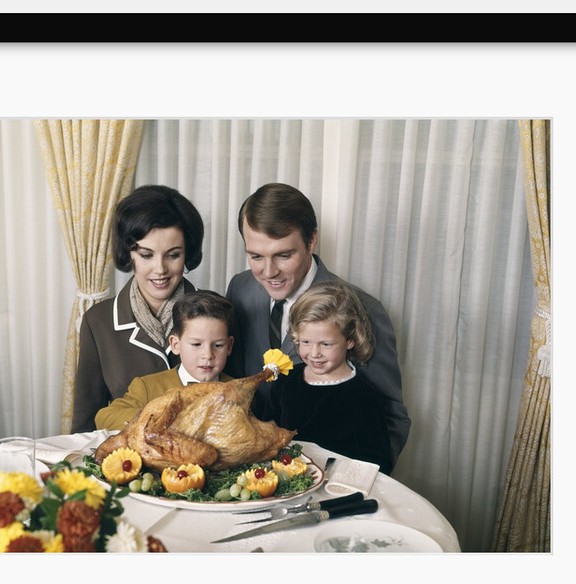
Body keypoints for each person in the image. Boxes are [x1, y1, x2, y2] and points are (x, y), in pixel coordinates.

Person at [224, 182, 411, 462]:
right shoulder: (240, 288)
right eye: (255, 256)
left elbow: (391, 421)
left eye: (284, 255)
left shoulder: (365, 310)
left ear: (312, 240)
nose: (268, 271)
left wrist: (344, 487)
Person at [72, 184, 204, 433]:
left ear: (187, 254)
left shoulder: (218, 314)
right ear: (129, 254)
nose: (160, 269)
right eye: (146, 255)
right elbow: (85, 423)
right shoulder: (98, 322)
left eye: (172, 255)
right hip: (126, 464)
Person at [264, 281, 398, 474]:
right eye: (306, 342)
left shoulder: (364, 395)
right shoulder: (285, 381)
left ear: (350, 340)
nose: (314, 353)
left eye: (326, 344)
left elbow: (378, 461)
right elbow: (267, 435)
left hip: (336, 489)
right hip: (286, 482)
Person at [94, 290, 236, 431]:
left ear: (229, 346)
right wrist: (159, 415)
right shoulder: (146, 387)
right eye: (196, 344)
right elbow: (104, 418)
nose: (208, 355)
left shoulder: (238, 390)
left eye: (218, 345)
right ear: (175, 345)